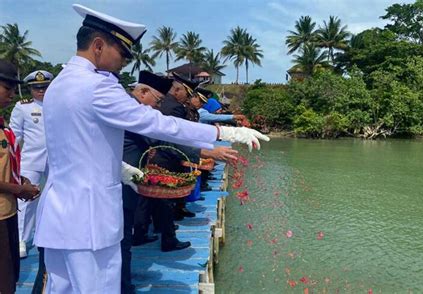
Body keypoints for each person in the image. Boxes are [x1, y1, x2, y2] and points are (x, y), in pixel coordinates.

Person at [34, 4, 268, 293]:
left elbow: (76, 146)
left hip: (58, 217)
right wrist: (225, 130)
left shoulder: (59, 84)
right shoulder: (97, 87)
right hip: (90, 222)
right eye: (122, 53)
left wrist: (121, 169)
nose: (124, 62)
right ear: (98, 45)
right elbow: (158, 124)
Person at [121, 70, 174, 293]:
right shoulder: (130, 111)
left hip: (129, 184)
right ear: (142, 92)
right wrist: (207, 147)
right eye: (158, 100)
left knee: (123, 240)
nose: (158, 106)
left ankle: (122, 282)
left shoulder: (134, 108)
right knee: (121, 241)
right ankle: (122, 286)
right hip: (120, 187)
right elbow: (168, 134)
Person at [0, 59, 40, 294]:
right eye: (7, 88)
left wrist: (20, 182)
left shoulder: (3, 128)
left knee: (9, 278)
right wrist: (18, 190)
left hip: (7, 213)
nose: (13, 95)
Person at [10, 70, 52, 259]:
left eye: (44, 87)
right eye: (37, 88)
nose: (41, 91)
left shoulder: (59, 104)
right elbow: (14, 136)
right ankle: (22, 240)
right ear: (30, 89)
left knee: (56, 198)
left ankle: (53, 234)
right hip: (31, 159)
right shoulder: (23, 107)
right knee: (26, 201)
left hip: (56, 159)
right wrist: (12, 161)